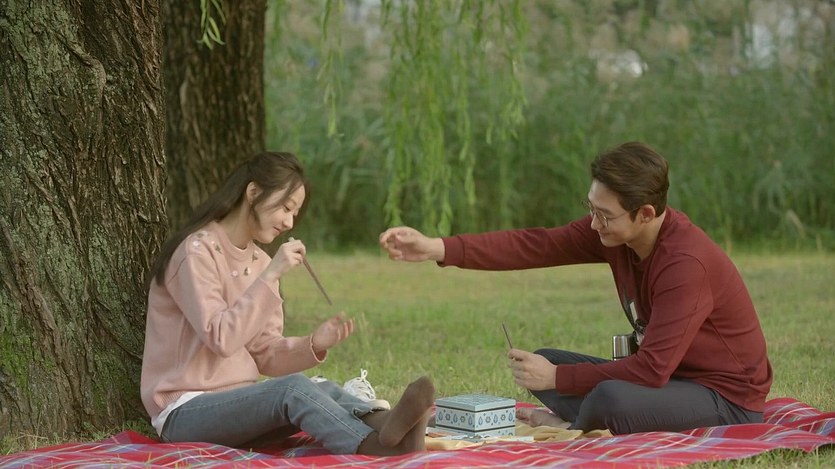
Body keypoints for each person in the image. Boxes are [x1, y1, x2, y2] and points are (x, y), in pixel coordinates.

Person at [379, 141, 772, 435]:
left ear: (645, 213)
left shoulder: (685, 264)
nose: (594, 224)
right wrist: (437, 248)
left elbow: (652, 370)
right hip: (670, 382)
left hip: (725, 398)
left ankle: (573, 427)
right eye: (591, 208)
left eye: (605, 215)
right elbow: (535, 245)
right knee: (544, 360)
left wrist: (558, 379)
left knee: (607, 396)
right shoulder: (614, 236)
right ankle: (587, 418)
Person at [141, 151, 434, 455]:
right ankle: (370, 446)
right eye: (286, 207)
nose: (289, 221)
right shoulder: (197, 252)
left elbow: (265, 352)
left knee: (320, 387)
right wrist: (270, 276)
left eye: (294, 212)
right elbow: (221, 338)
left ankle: (391, 427)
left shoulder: (260, 262)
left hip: (240, 406)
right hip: (184, 412)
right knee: (292, 389)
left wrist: (313, 344)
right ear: (253, 193)